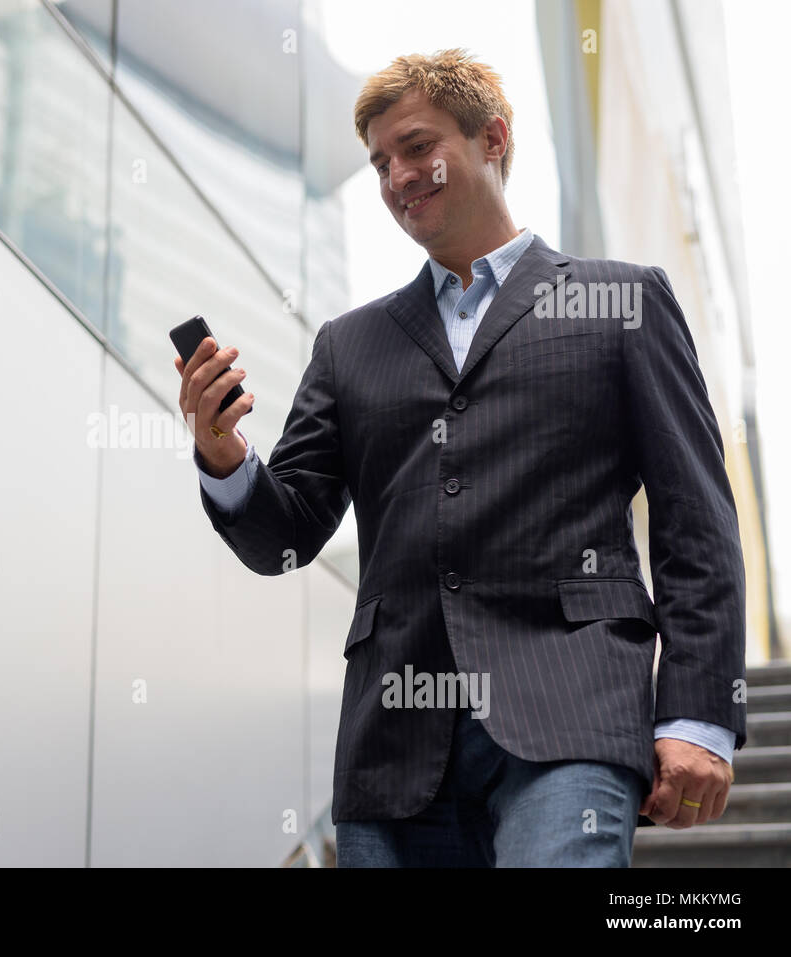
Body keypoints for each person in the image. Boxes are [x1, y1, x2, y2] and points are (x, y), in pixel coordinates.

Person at [174, 49, 745, 867]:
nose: (397, 176)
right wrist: (225, 457)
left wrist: (695, 715)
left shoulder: (623, 300)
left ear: (492, 138)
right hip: (393, 738)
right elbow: (286, 535)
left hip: (571, 708)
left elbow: (697, 521)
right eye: (378, 163)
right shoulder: (349, 345)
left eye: (414, 146)